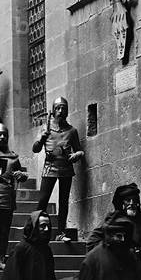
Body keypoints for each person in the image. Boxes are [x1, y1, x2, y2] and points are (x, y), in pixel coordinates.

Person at [32, 96, 85, 240]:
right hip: (50, 168)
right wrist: (42, 138)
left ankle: (61, 232)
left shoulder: (72, 131)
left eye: (63, 108)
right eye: (58, 108)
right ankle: (34, 229)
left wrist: (78, 155)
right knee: (42, 201)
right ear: (53, 110)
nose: (60, 111)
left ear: (67, 111)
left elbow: (79, 149)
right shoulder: (46, 128)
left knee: (63, 202)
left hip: (66, 169)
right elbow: (35, 149)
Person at [86, 185, 141, 274]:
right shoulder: (113, 220)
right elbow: (93, 241)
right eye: (128, 200)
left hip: (140, 269)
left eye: (134, 200)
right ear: (122, 203)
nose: (131, 203)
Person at [0, 123, 29, 270]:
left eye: (5, 134)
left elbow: (22, 175)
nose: (3, 137)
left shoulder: (13, 158)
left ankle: (0, 259)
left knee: (4, 231)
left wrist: (22, 176)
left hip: (7, 198)